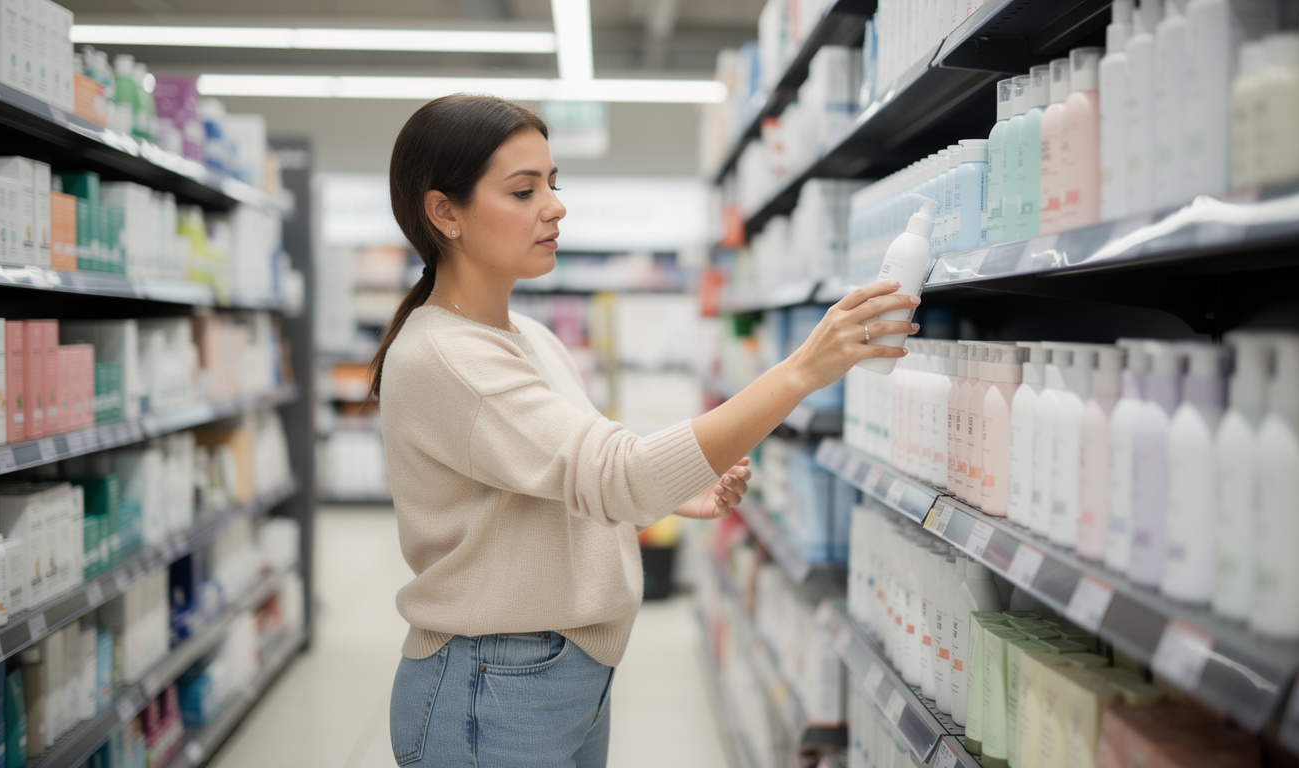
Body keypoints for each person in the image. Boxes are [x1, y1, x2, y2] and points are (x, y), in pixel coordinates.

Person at [370, 94, 920, 768]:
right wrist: (802, 370)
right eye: (523, 190)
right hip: (492, 687)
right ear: (444, 212)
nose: (555, 206)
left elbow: (571, 483)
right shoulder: (448, 357)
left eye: (553, 183)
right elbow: (618, 476)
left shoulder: (529, 337)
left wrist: (670, 491)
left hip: (559, 674)